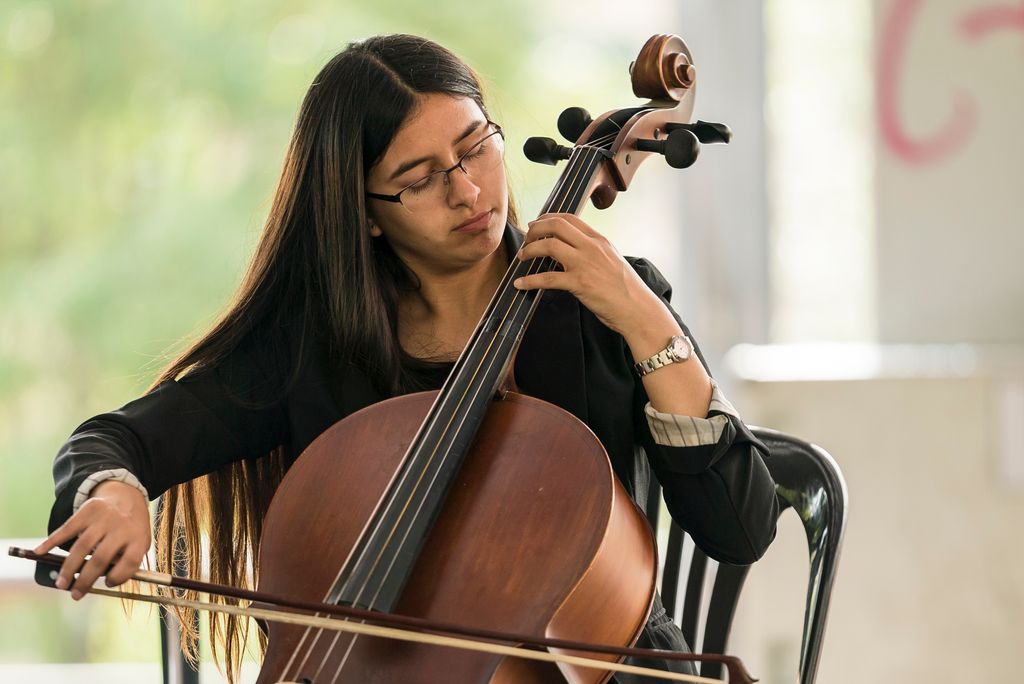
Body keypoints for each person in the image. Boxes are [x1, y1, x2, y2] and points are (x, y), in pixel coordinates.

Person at [34, 34, 778, 683]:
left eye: (476, 146)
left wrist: (648, 324)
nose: (467, 190)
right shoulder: (316, 347)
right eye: (419, 179)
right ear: (363, 212)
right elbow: (117, 439)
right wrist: (113, 491)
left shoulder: (605, 305)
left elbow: (740, 530)